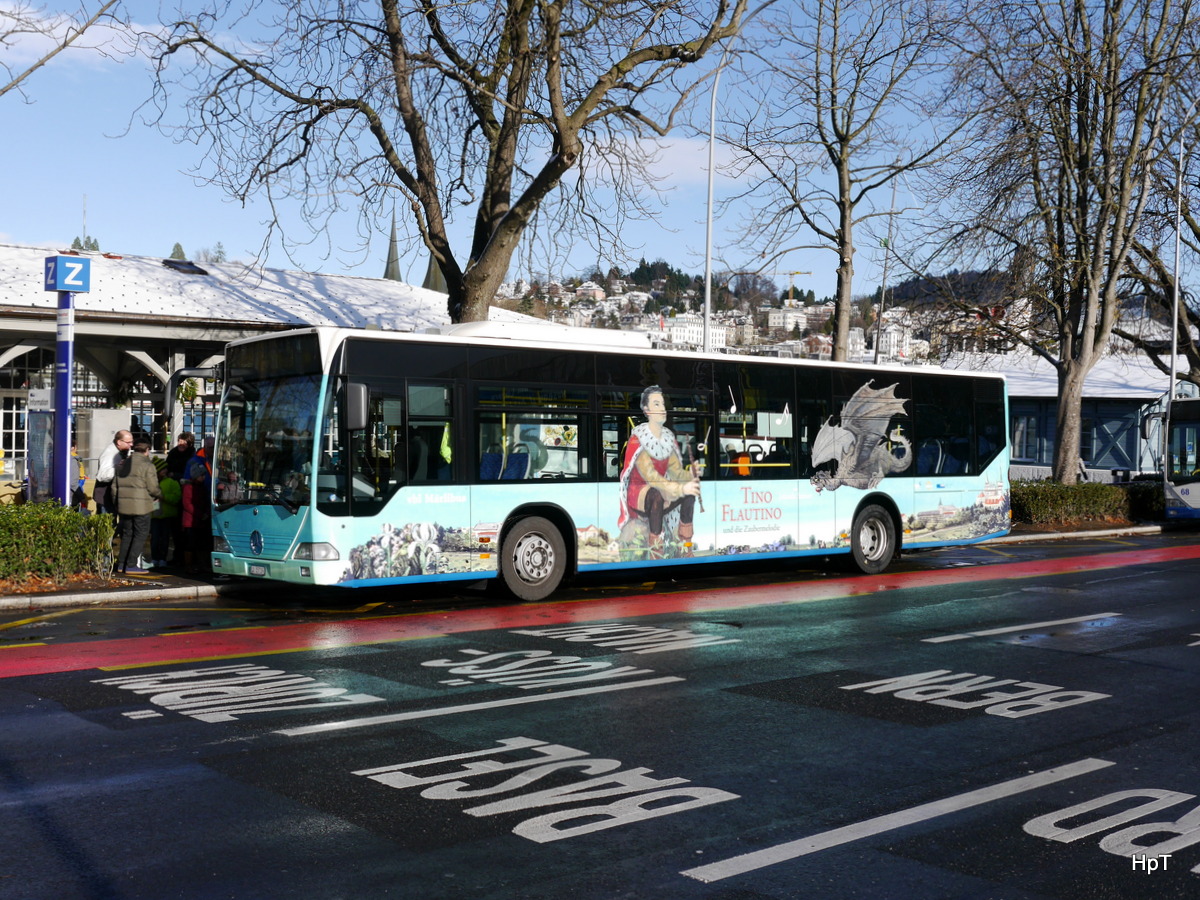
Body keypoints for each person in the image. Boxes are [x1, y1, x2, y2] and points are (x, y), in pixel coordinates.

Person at [618, 385, 702, 557]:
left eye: (663, 404)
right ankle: (656, 549)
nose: (663, 408)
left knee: (689, 494)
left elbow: (676, 472)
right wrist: (679, 488)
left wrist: (690, 474)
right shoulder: (638, 440)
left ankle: (685, 545)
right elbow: (652, 477)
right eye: (657, 404)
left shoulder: (668, 438)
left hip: (662, 488)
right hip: (639, 491)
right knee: (656, 494)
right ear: (647, 410)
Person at [113, 441, 162, 574]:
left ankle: (121, 564)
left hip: (124, 506)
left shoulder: (122, 464)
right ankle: (131, 564)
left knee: (128, 534)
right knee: (141, 534)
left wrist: (117, 502)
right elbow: (153, 488)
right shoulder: (147, 465)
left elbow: (114, 488)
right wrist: (159, 494)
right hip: (141, 506)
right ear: (146, 450)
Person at [182, 436, 214, 572]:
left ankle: (201, 563)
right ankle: (191, 565)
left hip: (202, 512)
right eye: (211, 447)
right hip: (194, 518)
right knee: (192, 542)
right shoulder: (195, 462)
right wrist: (201, 514)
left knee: (203, 541)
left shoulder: (211, 460)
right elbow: (188, 503)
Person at [149, 457, 181, 568]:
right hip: (154, 514)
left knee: (164, 538)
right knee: (155, 538)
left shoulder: (171, 482)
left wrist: (164, 497)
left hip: (167, 515)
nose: (165, 471)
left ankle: (162, 558)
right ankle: (154, 558)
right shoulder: (151, 482)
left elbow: (177, 498)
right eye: (162, 469)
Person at [93, 429, 132, 514]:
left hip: (113, 498)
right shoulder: (109, 454)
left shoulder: (122, 451)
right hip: (105, 498)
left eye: (131, 442)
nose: (131, 444)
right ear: (119, 442)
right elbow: (102, 476)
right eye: (128, 442)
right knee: (108, 525)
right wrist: (120, 468)